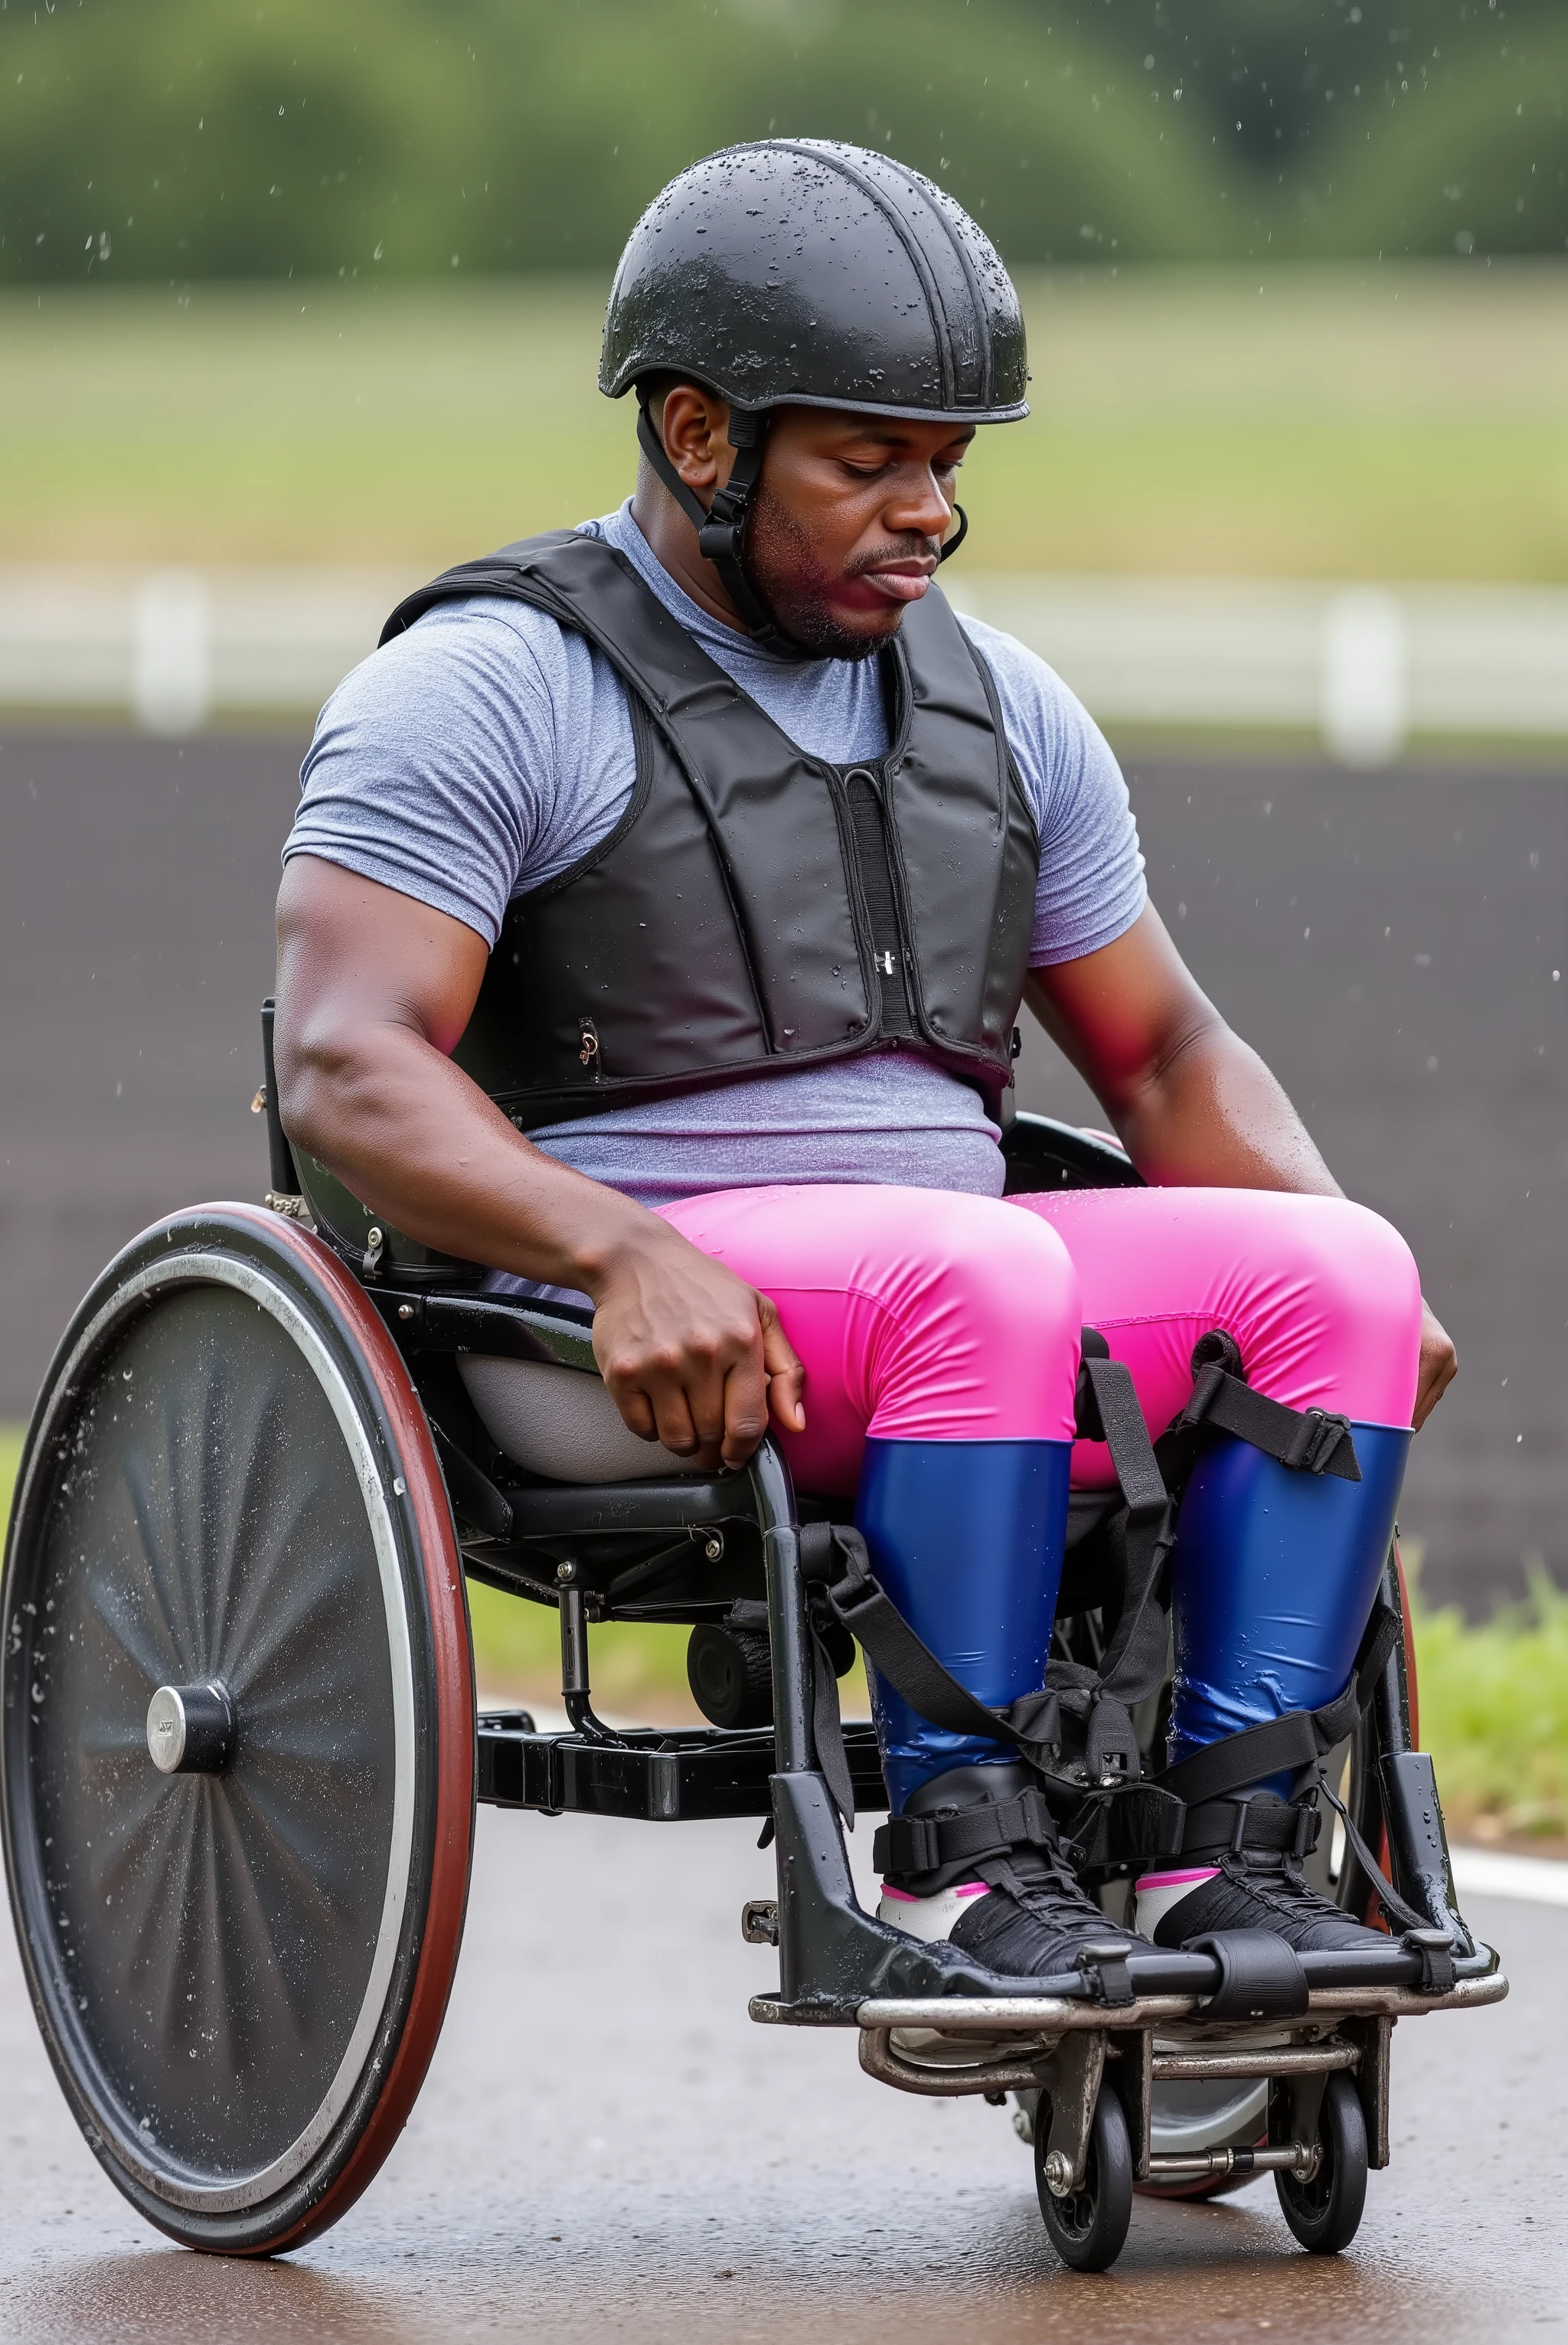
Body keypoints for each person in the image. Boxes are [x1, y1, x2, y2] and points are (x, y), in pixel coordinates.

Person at [273, 140, 1457, 1984]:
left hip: (946, 1291)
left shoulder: (1008, 709)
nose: (930, 516)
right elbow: (345, 1066)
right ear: (697, 437)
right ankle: (960, 1867)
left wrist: (1334, 1238)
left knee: (1342, 1278)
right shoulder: (492, 685)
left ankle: (1222, 1862)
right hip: (594, 1324)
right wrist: (614, 1249)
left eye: (950, 467)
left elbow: (1162, 1054)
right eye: (870, 463)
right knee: (974, 1274)